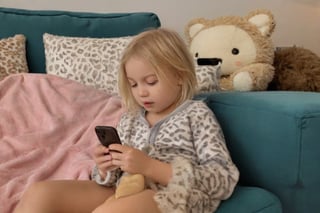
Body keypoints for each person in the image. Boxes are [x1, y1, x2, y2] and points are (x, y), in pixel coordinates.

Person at [14, 28, 239, 213]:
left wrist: (152, 167)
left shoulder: (197, 115)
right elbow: (113, 178)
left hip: (173, 196)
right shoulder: (131, 119)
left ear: (180, 75)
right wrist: (104, 168)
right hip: (126, 188)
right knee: (39, 193)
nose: (141, 92)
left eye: (150, 82)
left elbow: (223, 178)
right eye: (133, 84)